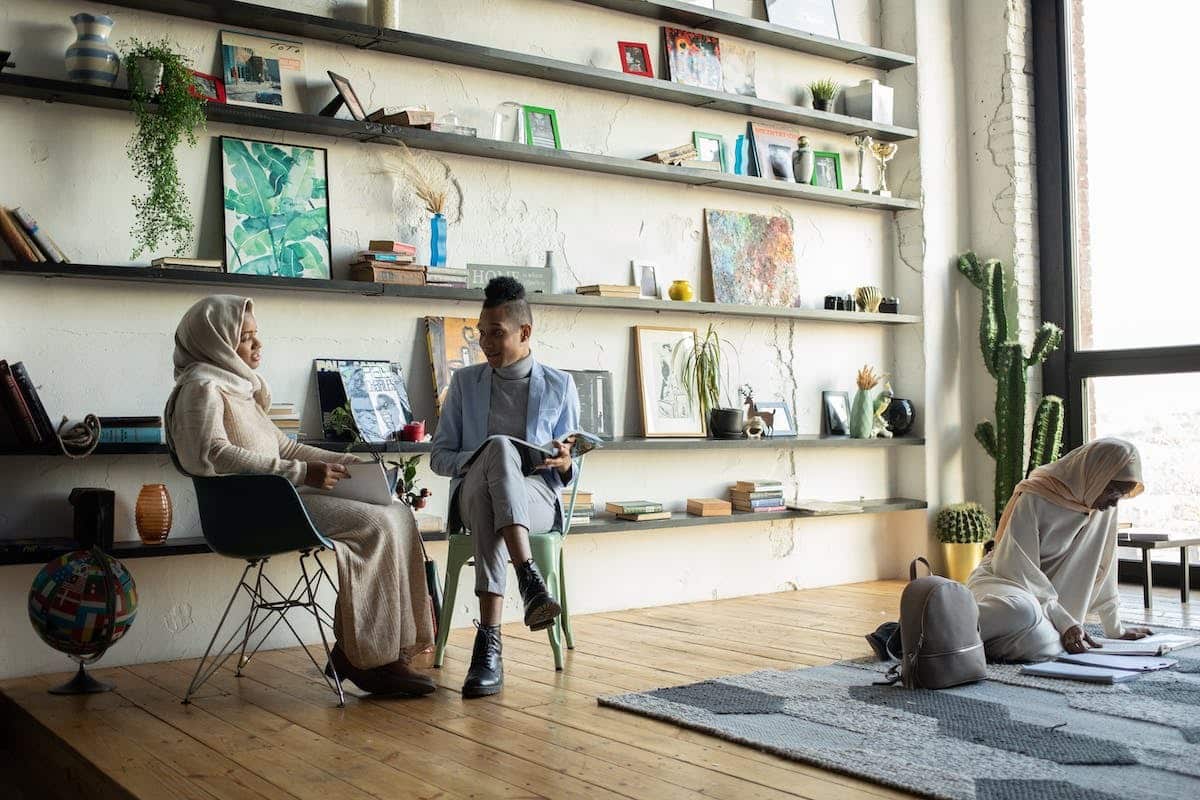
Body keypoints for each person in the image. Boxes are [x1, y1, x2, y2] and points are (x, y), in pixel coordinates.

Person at [164, 295, 436, 696]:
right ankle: (368, 661)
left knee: (396, 511)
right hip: (250, 511)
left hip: (281, 499)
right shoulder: (201, 389)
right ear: (216, 341)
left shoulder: (238, 388)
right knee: (374, 525)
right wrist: (302, 472)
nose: (258, 346)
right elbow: (210, 454)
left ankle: (380, 651)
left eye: (257, 335)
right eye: (245, 338)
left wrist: (349, 465)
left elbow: (286, 447)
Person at [431, 277, 580, 698]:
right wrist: (483, 458)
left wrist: (566, 461)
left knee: (496, 500)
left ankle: (489, 646)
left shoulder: (559, 385)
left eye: (495, 334)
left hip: (534, 497)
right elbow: (440, 457)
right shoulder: (465, 384)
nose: (485, 343)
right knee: (495, 454)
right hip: (473, 491)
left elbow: (571, 464)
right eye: (481, 333)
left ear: (524, 332)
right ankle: (528, 578)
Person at [966, 438, 1153, 662]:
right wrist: (1063, 620)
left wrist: (1116, 629)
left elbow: (1105, 566)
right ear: (1094, 475)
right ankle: (940, 626)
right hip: (1006, 583)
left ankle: (970, 640)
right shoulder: (1035, 497)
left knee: (1050, 647)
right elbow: (1017, 570)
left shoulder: (1101, 506)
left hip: (1050, 607)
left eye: (1120, 496)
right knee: (1021, 612)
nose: (1113, 503)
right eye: (1112, 491)